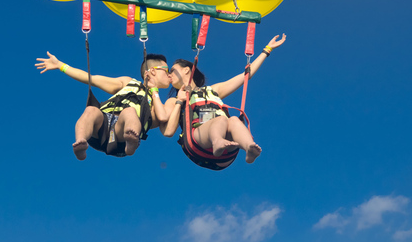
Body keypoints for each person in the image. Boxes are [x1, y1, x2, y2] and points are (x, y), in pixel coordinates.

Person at [160, 34, 286, 171]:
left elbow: (245, 76)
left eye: (172, 70)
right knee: (220, 120)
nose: (169, 75)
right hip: (198, 137)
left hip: (227, 145)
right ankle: (217, 141)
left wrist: (267, 50)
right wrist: (179, 101)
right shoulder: (173, 100)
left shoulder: (213, 90)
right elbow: (168, 132)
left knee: (233, 120)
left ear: (186, 70)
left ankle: (249, 147)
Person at [35, 52, 170, 160]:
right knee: (91, 110)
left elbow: (162, 118)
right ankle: (81, 143)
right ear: (153, 71)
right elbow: (91, 79)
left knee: (129, 112)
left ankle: (131, 142)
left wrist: (154, 91)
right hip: (102, 127)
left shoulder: (156, 103)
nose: (169, 76)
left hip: (121, 136)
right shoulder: (127, 82)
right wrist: (60, 65)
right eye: (167, 70)